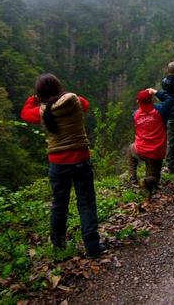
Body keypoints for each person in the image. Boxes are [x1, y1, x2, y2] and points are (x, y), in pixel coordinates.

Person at [20, 73, 104, 258]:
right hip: (81, 159)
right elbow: (86, 104)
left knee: (59, 205)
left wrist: (34, 98)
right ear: (59, 87)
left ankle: (58, 247)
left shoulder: (42, 111)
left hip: (58, 164)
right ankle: (92, 247)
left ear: (40, 94)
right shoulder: (74, 101)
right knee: (86, 203)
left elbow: (25, 113)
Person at [128, 88, 173, 193]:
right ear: (152, 100)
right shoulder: (160, 111)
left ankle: (132, 178)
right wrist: (156, 92)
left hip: (140, 150)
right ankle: (146, 180)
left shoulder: (135, 115)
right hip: (156, 152)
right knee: (155, 178)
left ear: (138, 102)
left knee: (130, 148)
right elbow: (170, 100)